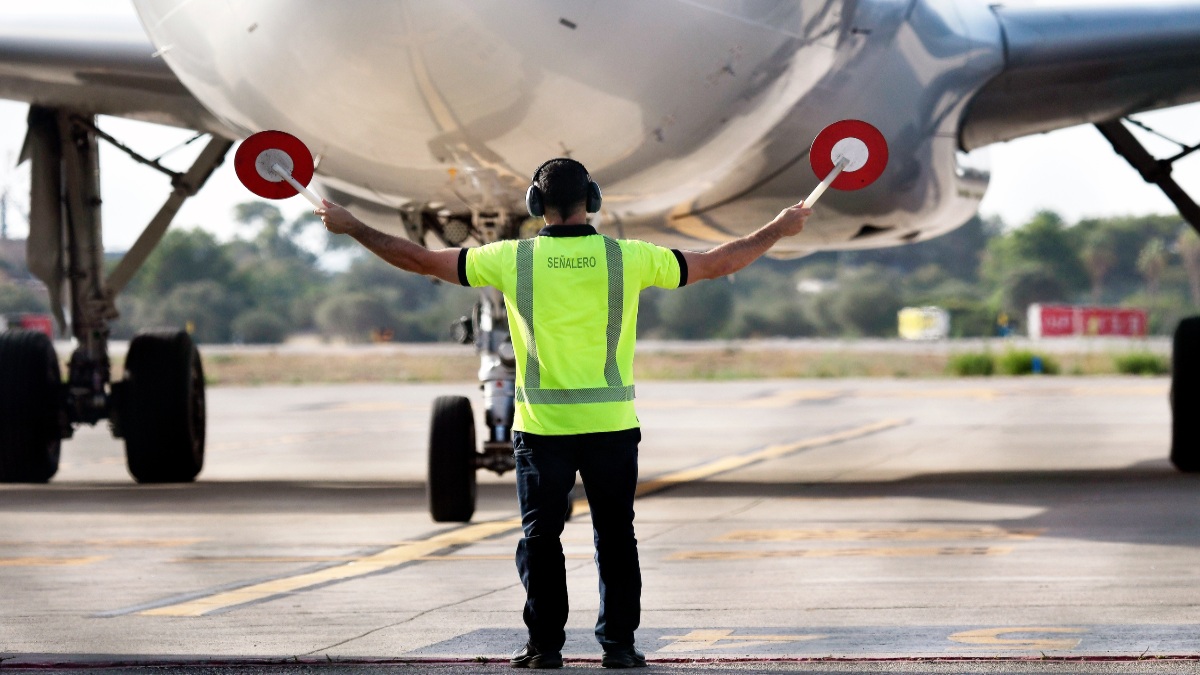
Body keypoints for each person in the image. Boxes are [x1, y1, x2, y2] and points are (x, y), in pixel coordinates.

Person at [316, 158, 811, 669]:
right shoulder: (628, 258)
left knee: (540, 540)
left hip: (542, 430)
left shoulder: (510, 259)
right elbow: (716, 263)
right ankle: (619, 647)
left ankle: (545, 647)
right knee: (617, 540)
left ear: (535, 204)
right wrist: (779, 227)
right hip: (612, 428)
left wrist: (353, 226)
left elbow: (419, 259)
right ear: (592, 200)